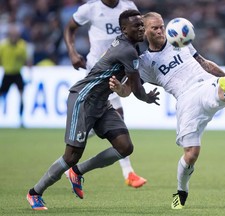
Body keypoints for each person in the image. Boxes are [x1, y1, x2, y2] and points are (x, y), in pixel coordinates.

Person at [109, 12, 225, 210]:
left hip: (204, 85)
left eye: (162, 26)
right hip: (186, 100)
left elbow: (205, 63)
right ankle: (181, 191)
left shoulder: (179, 40)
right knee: (191, 154)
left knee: (217, 88)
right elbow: (130, 89)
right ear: (145, 32)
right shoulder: (144, 62)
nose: (161, 30)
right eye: (155, 28)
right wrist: (119, 89)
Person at [26, 10, 160, 210]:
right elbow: (137, 90)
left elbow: (126, 87)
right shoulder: (128, 51)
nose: (141, 29)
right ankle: (34, 193)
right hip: (83, 100)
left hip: (101, 103)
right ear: (124, 29)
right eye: (136, 26)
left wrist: (124, 89)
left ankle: (77, 172)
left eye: (142, 25)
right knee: (71, 156)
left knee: (125, 147)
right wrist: (147, 98)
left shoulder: (129, 46)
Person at [64, 0, 147, 188]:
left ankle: (128, 172)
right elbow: (69, 28)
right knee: (116, 119)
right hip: (97, 73)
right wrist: (72, 52)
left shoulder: (128, 6)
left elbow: (137, 34)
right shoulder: (90, 9)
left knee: (116, 119)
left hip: (117, 73)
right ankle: (128, 172)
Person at [0, 24, 31, 128]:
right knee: (2, 96)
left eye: (16, 35)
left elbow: (27, 59)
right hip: (7, 74)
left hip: (17, 73)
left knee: (22, 97)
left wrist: (29, 72)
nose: (14, 37)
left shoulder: (22, 45)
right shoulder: (3, 46)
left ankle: (21, 119)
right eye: (12, 35)